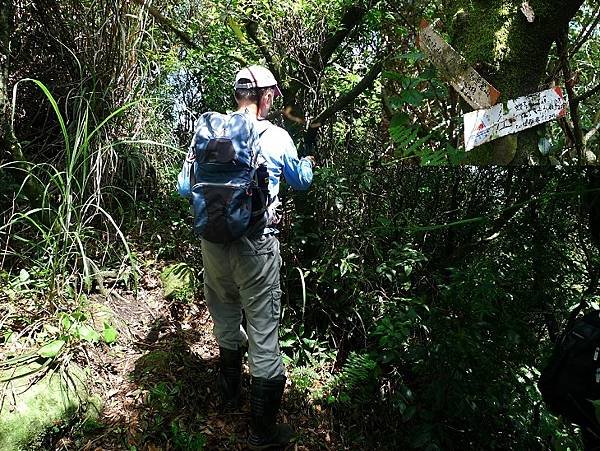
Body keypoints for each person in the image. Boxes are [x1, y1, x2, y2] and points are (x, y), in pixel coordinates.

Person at [181, 65, 314, 450]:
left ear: (237, 94)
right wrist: (307, 162)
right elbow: (301, 183)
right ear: (266, 97)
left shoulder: (208, 134)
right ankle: (261, 435)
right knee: (263, 333)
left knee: (224, 314)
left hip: (212, 244)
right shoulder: (276, 136)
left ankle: (228, 396)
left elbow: (183, 187)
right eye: (273, 95)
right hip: (255, 246)